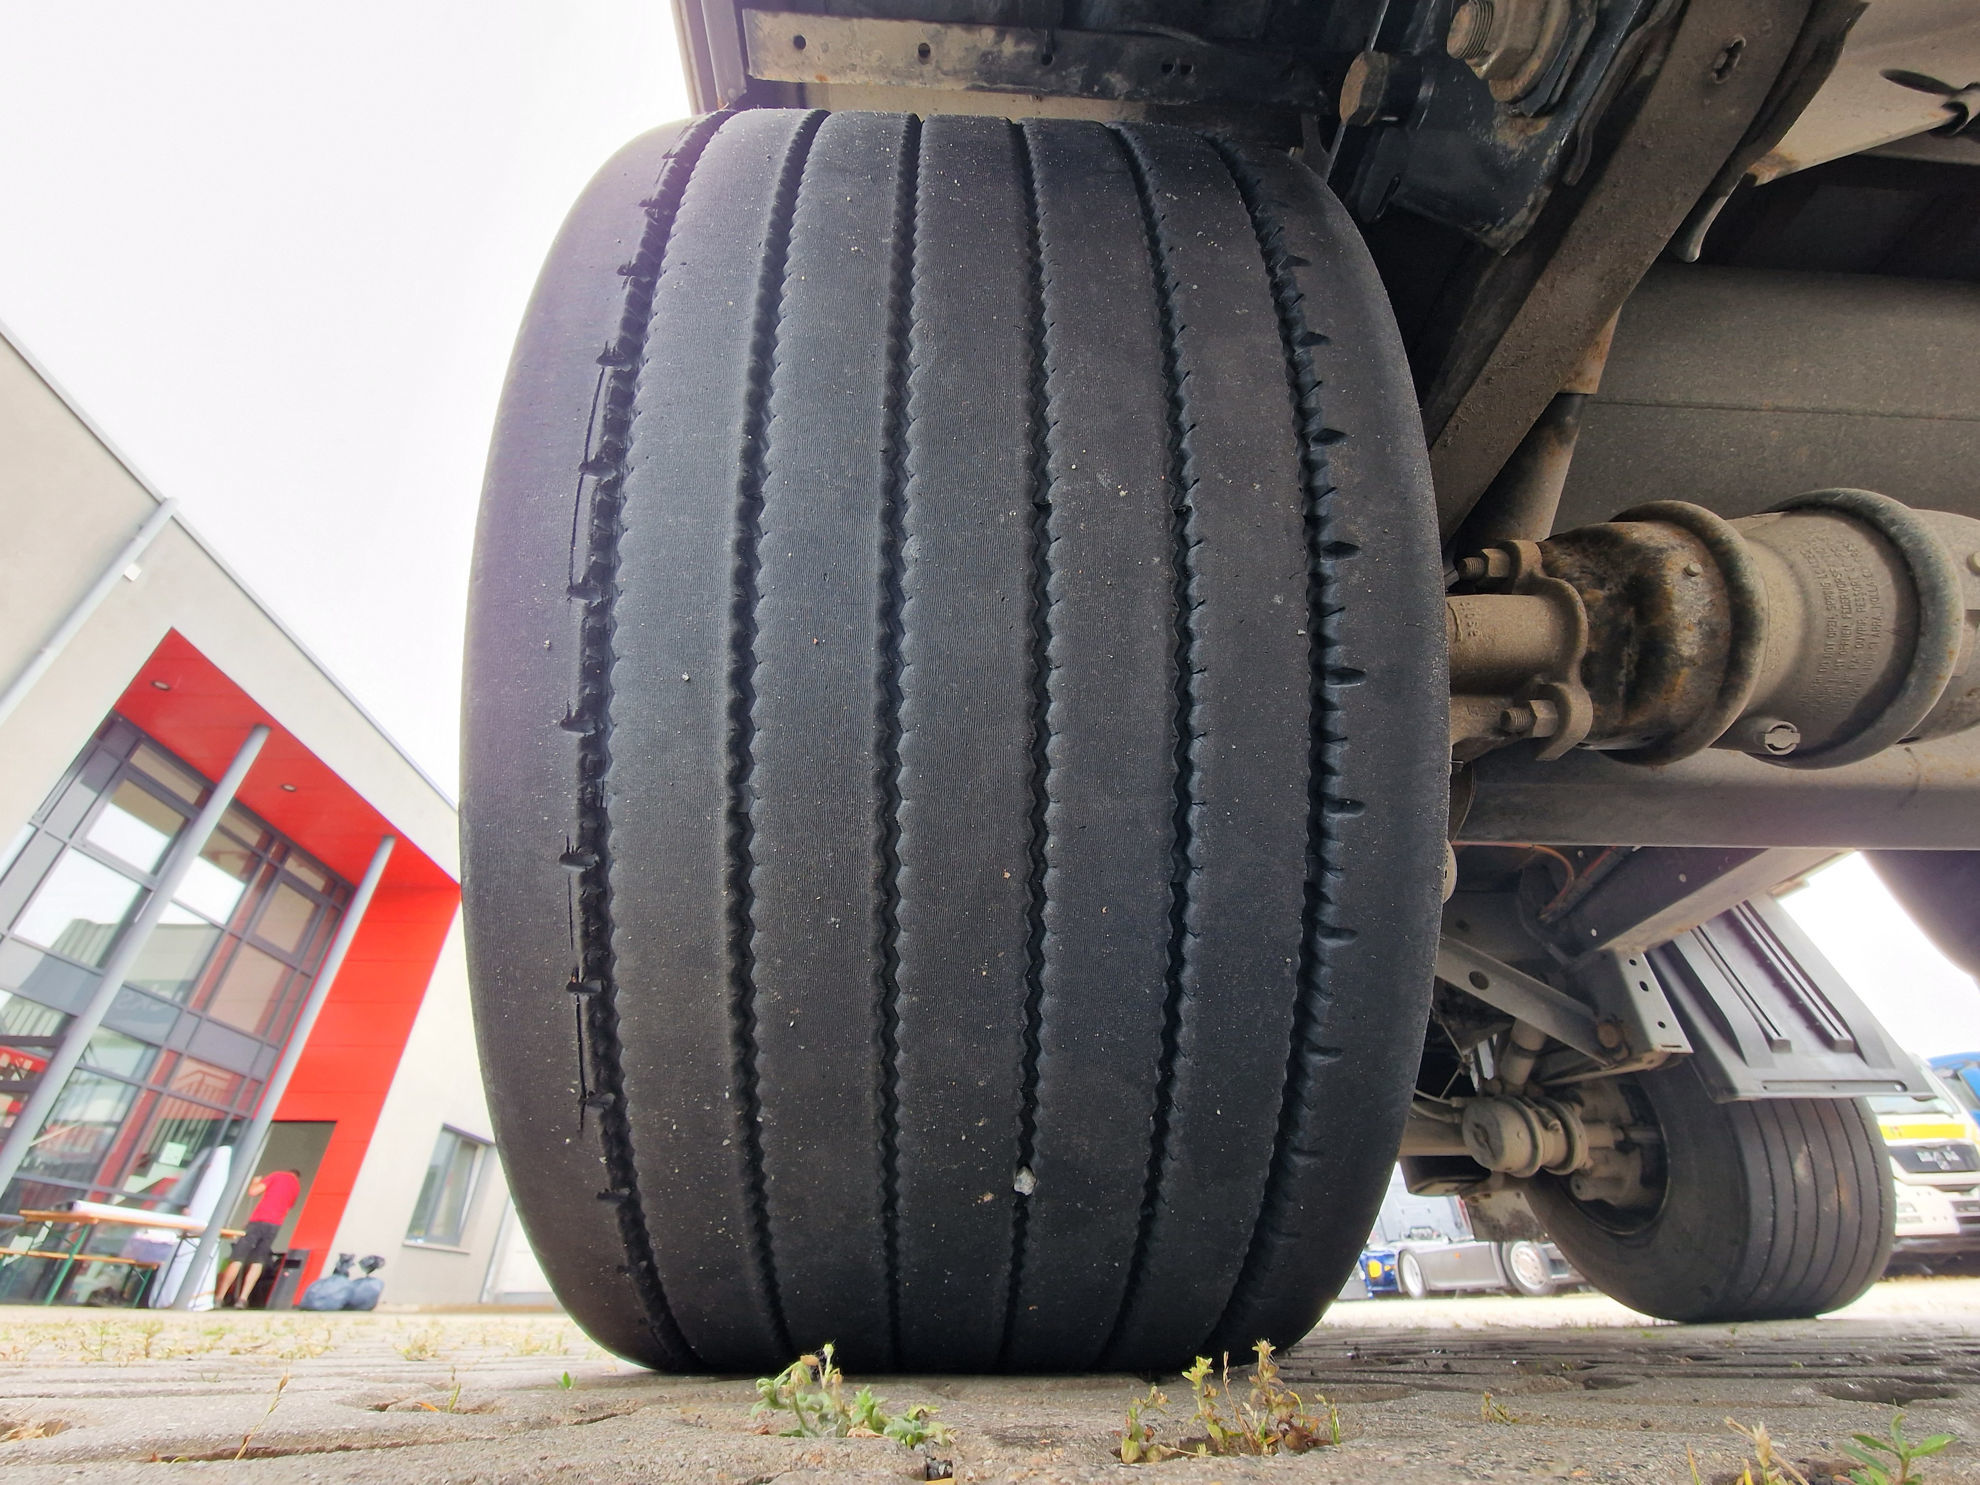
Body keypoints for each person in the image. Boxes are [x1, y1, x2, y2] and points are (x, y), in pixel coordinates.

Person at [214, 1169, 302, 1308]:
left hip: (258, 1220)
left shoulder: (277, 1175)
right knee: (258, 1261)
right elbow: (289, 1206)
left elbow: (253, 1192)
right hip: (275, 1225)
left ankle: (220, 1297)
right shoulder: (296, 1186)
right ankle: (243, 1298)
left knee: (237, 1258)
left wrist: (255, 1182)